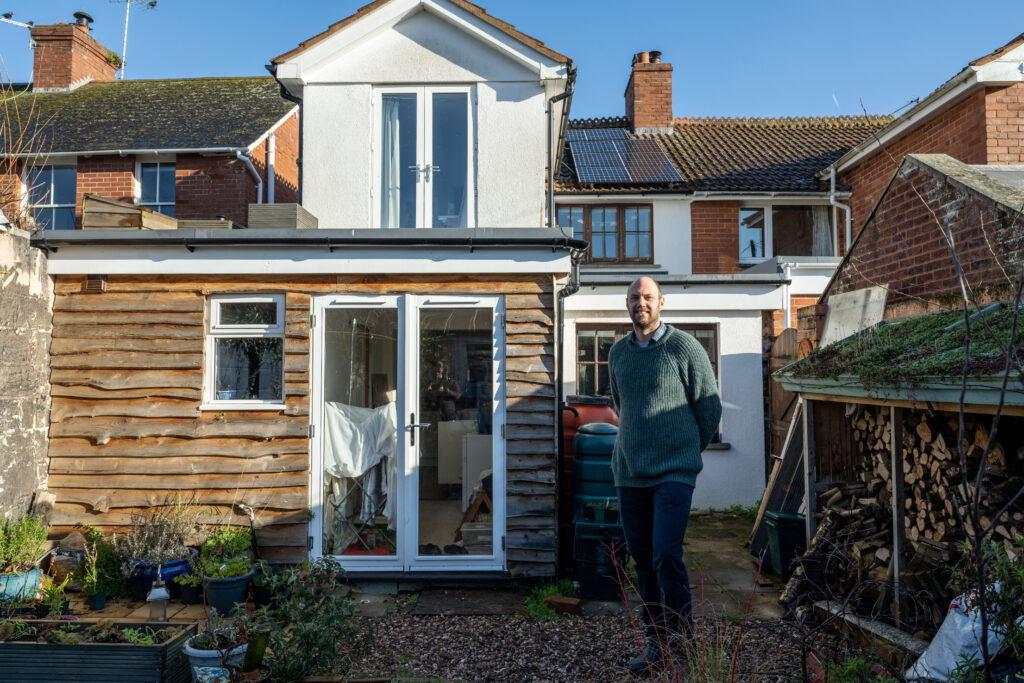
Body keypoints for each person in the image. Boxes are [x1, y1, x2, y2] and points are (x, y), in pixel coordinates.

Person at [608, 276, 722, 674]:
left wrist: (685, 451)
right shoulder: (618, 353)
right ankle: (658, 647)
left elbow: (708, 409)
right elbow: (621, 404)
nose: (641, 302)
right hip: (629, 473)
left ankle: (684, 647)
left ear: (662, 303)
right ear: (627, 304)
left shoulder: (684, 348)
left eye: (648, 297)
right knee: (642, 560)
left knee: (666, 556)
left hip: (674, 472)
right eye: (635, 297)